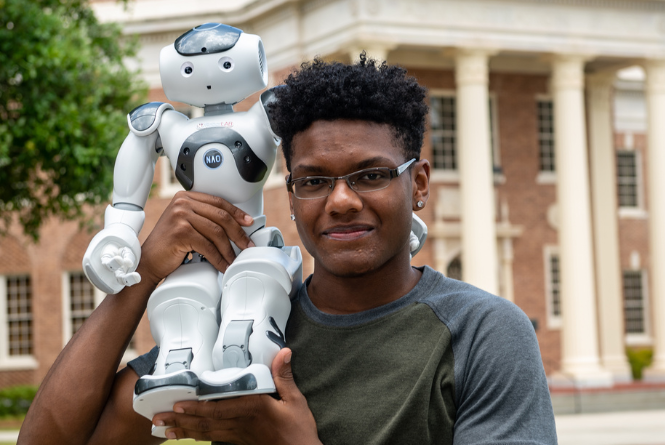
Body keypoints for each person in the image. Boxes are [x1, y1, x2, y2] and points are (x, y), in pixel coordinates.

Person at [18, 54, 557, 445]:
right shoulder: (236, 324)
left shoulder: (481, 332)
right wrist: (145, 273)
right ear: (291, 197)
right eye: (314, 180)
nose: (341, 201)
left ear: (417, 184)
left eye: (369, 175)